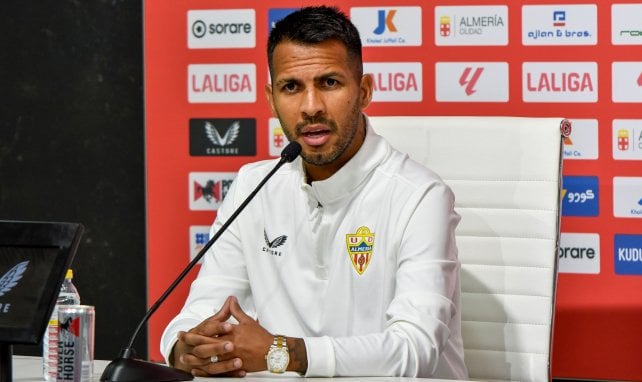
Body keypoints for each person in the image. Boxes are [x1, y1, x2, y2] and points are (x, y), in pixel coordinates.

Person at [161, 6, 468, 379]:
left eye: (329, 83)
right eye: (292, 87)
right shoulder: (253, 185)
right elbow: (202, 310)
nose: (311, 107)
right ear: (271, 98)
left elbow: (413, 349)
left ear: (365, 90)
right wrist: (185, 348)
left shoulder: (420, 196)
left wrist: (286, 353)